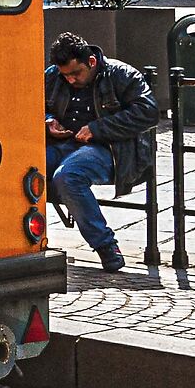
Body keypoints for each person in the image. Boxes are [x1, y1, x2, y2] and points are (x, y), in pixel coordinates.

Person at [44, 32, 163, 274]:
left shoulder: (121, 74)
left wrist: (97, 129)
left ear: (91, 62)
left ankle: (106, 246)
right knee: (23, 167)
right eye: (64, 75)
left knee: (68, 176)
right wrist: (48, 121)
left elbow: (149, 113)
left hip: (111, 149)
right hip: (65, 143)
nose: (69, 80)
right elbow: (35, 104)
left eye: (75, 74)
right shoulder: (54, 76)